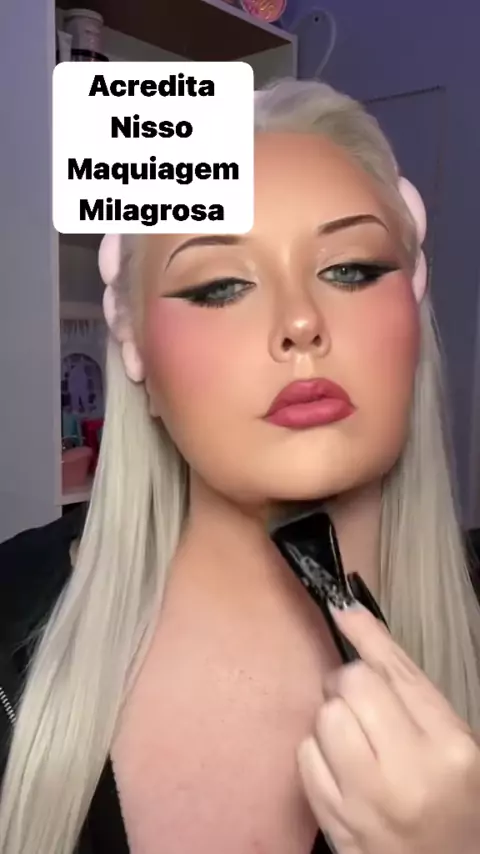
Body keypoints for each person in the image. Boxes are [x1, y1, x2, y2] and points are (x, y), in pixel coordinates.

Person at [1, 78, 480, 854]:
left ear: (413, 301)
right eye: (220, 286)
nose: (300, 322)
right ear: (134, 344)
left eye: (351, 270)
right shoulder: (9, 615)